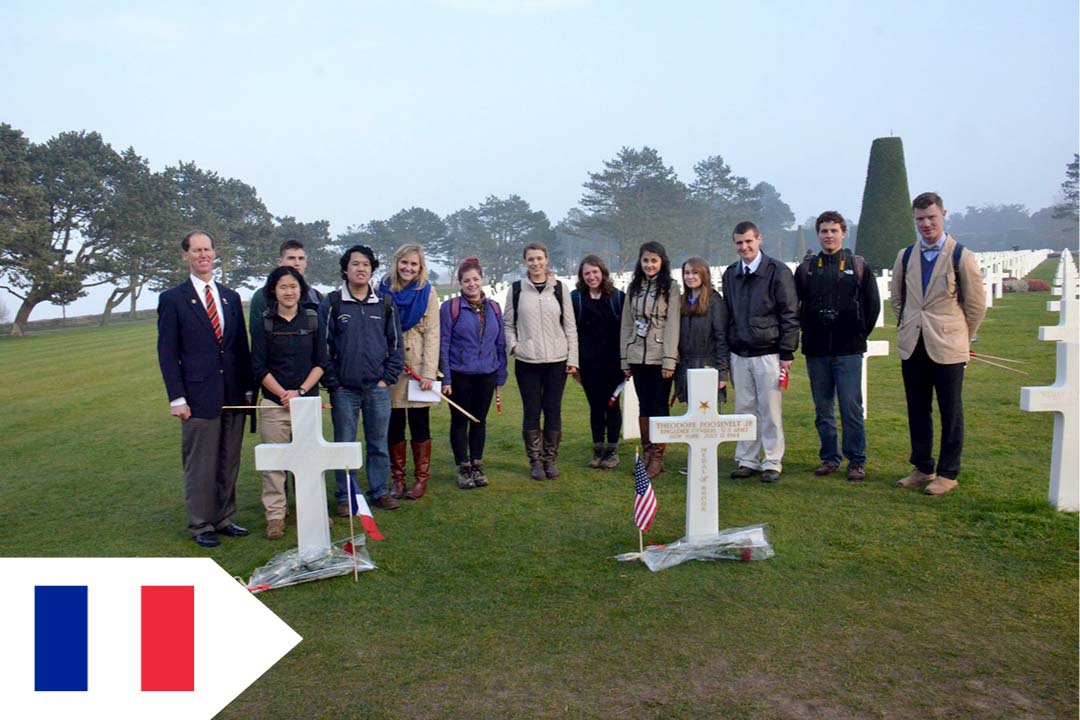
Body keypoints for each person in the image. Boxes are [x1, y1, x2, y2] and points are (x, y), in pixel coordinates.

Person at [157, 230, 255, 548]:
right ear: (185, 255)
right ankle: (201, 523)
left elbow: (240, 347)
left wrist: (248, 391)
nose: (203, 255)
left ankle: (224, 517)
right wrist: (177, 398)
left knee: (229, 460)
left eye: (207, 249)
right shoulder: (173, 300)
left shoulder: (229, 296)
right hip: (197, 397)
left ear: (214, 253)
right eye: (196, 250)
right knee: (201, 463)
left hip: (233, 395)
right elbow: (167, 353)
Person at [889, 192, 986, 496]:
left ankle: (948, 472)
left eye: (931, 217)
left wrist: (961, 337)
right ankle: (922, 466)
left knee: (950, 410)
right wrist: (909, 324)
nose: (926, 224)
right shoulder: (905, 256)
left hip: (948, 347)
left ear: (943, 214)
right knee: (917, 409)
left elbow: (975, 305)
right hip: (913, 344)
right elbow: (898, 299)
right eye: (920, 219)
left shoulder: (962, 257)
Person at [794, 211, 881, 482]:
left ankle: (856, 460)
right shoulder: (807, 268)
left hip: (848, 351)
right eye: (823, 231)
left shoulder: (858, 265)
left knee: (851, 408)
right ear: (818, 234)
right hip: (817, 350)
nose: (828, 235)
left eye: (833, 231)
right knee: (823, 409)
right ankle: (829, 458)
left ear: (843, 233)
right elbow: (795, 305)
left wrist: (856, 333)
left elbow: (872, 305)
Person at [320, 245, 404, 514]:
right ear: (346, 269)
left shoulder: (384, 303)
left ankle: (379, 490)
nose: (361, 269)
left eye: (366, 264)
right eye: (355, 264)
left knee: (378, 443)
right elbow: (323, 347)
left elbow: (395, 345)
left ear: (372, 269)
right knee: (344, 443)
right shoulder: (332, 302)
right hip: (344, 390)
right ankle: (346, 495)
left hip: (377, 388)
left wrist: (387, 378)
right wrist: (335, 382)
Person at [250, 266, 329, 539]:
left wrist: (301, 392)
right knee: (275, 464)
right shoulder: (265, 323)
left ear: (301, 289)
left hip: (306, 403)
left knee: (310, 461)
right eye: (282, 286)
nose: (288, 292)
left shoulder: (312, 319)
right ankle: (275, 516)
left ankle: (313, 509)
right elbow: (258, 367)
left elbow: (322, 363)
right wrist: (283, 394)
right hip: (274, 404)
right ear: (274, 290)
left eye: (293, 286)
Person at [721, 221, 799, 484]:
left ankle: (772, 461)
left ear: (759, 239)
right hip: (739, 352)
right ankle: (747, 460)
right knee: (744, 408)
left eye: (748, 241)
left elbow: (789, 313)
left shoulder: (777, 271)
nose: (744, 247)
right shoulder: (731, 274)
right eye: (739, 243)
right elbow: (730, 312)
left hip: (769, 352)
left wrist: (787, 352)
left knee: (769, 409)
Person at [503, 242, 579, 479]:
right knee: (532, 411)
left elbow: (570, 325)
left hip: (557, 360)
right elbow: (508, 324)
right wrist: (515, 346)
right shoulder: (516, 290)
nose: (535, 263)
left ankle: (550, 459)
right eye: (531, 259)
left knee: (553, 410)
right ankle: (535, 461)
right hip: (528, 361)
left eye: (539, 258)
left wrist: (572, 357)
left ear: (546, 260)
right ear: (525, 262)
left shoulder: (560, 289)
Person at [378, 244, 439, 501]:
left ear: (420, 267)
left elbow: (434, 333)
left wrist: (428, 372)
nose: (408, 268)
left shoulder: (427, 292)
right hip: (391, 365)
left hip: (417, 366)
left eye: (414, 264)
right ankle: (398, 479)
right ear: (396, 262)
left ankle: (420, 478)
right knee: (393, 423)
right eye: (405, 263)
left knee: (419, 423)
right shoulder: (382, 289)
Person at [440, 258, 508, 489]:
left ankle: (477, 465)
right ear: (460, 282)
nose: (471, 284)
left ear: (482, 280)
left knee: (479, 420)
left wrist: (501, 374)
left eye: (475, 279)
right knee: (460, 421)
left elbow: (500, 344)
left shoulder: (494, 309)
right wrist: (446, 378)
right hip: (460, 374)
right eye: (466, 280)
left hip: (487, 373)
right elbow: (444, 343)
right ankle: (463, 467)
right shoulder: (451, 308)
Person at [620, 241, 681, 479]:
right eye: (645, 260)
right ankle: (647, 452)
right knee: (644, 404)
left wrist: (669, 359)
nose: (649, 265)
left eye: (654, 260)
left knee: (659, 405)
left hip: (659, 357)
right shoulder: (633, 287)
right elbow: (626, 324)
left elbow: (673, 324)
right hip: (637, 355)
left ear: (662, 262)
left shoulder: (671, 288)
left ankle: (658, 456)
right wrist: (625, 359)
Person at [570, 255, 625, 470]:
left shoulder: (617, 297)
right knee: (595, 407)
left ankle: (612, 450)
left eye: (595, 272)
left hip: (613, 365)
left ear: (602, 272)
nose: (591, 277)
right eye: (587, 273)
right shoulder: (576, 299)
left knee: (612, 406)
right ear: (582, 276)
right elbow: (570, 331)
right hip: (588, 365)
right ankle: (597, 448)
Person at [673, 256, 729, 410]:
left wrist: (722, 372)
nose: (690, 277)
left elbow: (721, 339)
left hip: (707, 366)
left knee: (706, 415)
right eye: (687, 273)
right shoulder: (681, 301)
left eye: (695, 273)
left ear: (704, 274)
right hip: (685, 366)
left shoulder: (714, 301)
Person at [249, 239, 324, 347]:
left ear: (306, 263)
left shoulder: (316, 297)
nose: (297, 263)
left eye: (301, 258)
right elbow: (257, 338)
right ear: (280, 262)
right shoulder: (262, 296)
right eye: (291, 258)